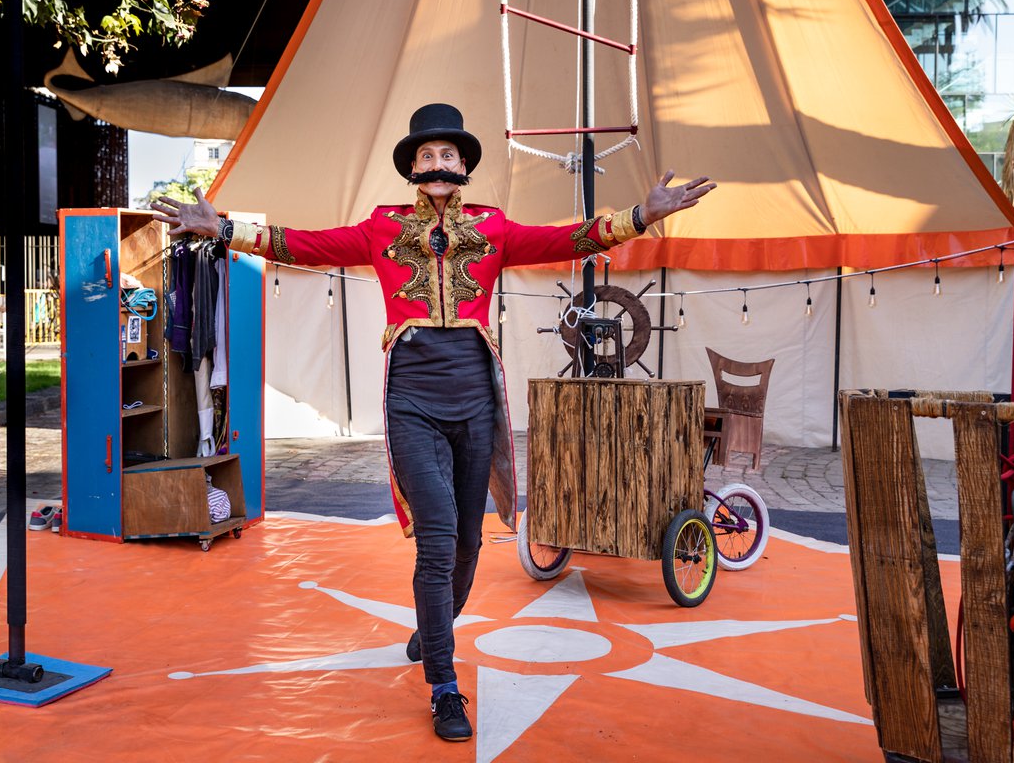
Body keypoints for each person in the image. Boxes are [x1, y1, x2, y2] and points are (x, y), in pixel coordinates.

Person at [152, 103, 715, 742]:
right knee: (440, 538)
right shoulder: (381, 227)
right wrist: (224, 229)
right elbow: (303, 243)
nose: (438, 163)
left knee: (470, 543)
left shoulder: (495, 227)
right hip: (411, 401)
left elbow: (569, 239)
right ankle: (444, 686)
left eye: (448, 154)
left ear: (464, 165)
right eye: (427, 155)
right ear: (413, 169)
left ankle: (433, 626)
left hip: (475, 402)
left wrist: (642, 215)